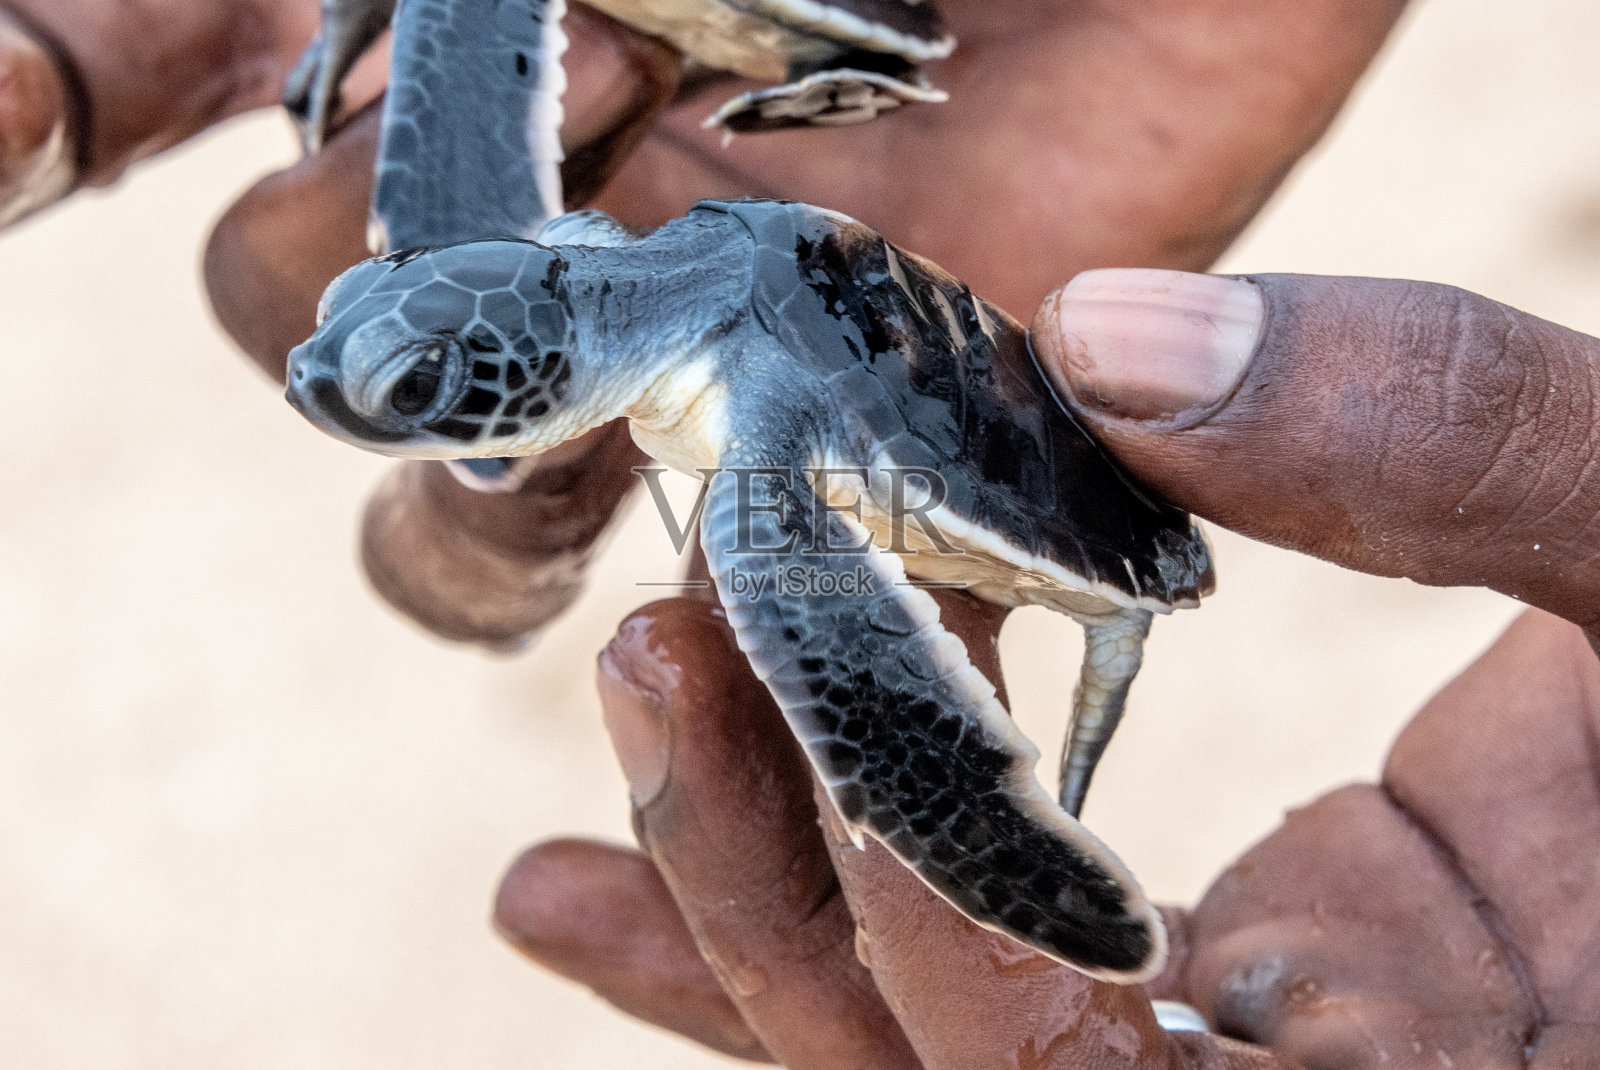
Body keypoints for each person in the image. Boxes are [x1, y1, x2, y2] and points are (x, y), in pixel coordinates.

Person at [6, 0, 1596, 1064]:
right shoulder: (599, 267)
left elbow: (866, 695)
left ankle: (1039, 800)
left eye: (421, 384)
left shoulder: (752, 458)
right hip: (841, 288)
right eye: (381, 350)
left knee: (816, 651)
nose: (355, 390)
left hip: (1051, 494)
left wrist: (1005, 856)